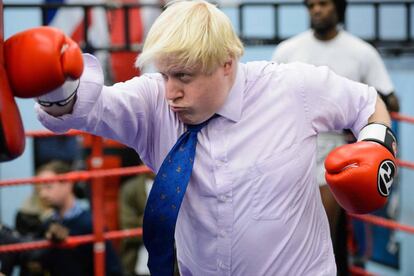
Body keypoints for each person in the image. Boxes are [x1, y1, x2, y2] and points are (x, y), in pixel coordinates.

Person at [4, 1, 397, 275]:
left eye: (185, 77)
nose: (171, 91)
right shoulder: (155, 99)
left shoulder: (291, 87)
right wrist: (58, 86)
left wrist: (378, 150)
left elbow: (368, 101)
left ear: (227, 63)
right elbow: (87, 108)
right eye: (165, 74)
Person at [271, 0, 400, 274]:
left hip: (336, 148)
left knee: (325, 228)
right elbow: (271, 99)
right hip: (292, 145)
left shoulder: (360, 52)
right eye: (311, 5)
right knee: (288, 225)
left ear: (338, 7)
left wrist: (362, 119)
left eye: (323, 4)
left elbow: (391, 100)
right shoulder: (288, 50)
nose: (316, 10)